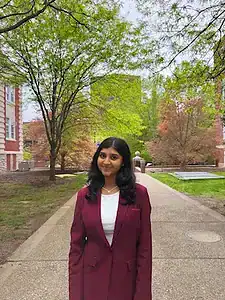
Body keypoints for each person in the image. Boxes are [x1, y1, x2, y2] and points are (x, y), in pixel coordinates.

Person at [69, 137, 152, 300]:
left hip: (126, 280)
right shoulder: (84, 196)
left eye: (113, 157)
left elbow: (145, 247)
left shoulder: (139, 195)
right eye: (102, 156)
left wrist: (142, 293)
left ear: (123, 162)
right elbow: (76, 248)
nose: (106, 162)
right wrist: (75, 293)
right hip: (91, 279)